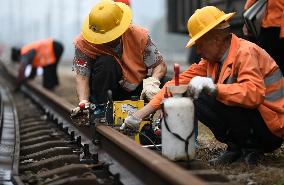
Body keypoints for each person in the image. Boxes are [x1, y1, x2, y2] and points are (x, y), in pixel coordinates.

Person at [124, 6, 284, 165]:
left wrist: (215, 89)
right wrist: (139, 115)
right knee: (191, 93)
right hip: (255, 122)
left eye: (199, 44)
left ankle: (252, 149)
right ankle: (236, 148)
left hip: (270, 128)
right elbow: (175, 85)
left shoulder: (245, 53)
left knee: (204, 94)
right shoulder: (211, 61)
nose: (198, 51)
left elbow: (253, 95)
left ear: (215, 39)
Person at [71, 0, 167, 116]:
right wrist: (83, 101)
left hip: (135, 87)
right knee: (107, 62)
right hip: (103, 88)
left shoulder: (139, 36)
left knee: (169, 84)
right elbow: (82, 76)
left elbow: (159, 65)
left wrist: (153, 82)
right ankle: (99, 108)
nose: (108, 40)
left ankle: (161, 123)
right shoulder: (83, 43)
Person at [243, 0, 284, 74]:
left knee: (264, 61)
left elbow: (248, 5)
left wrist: (246, 20)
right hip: (273, 28)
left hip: (269, 28)